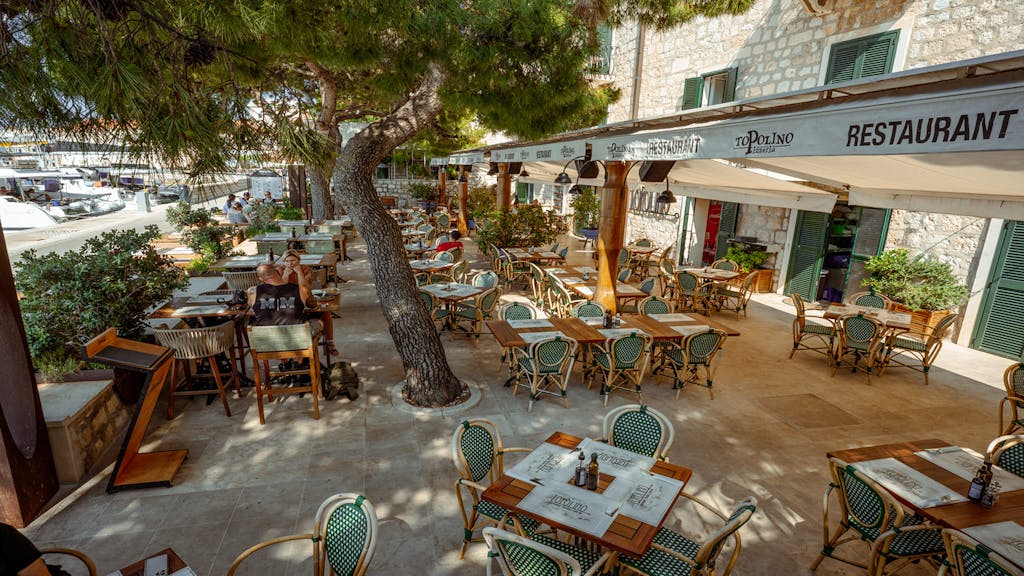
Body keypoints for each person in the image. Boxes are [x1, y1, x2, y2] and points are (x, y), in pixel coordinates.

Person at [268, 252, 338, 355]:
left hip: (304, 301)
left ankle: (330, 342)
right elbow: (279, 291)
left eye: (293, 260)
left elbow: (305, 287)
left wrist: (299, 273)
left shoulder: (306, 269)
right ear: (283, 262)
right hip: (289, 305)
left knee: (326, 313)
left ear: (299, 260)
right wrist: (285, 276)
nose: (290, 263)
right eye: (287, 261)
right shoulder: (279, 270)